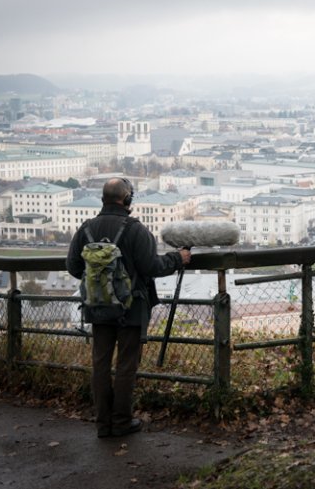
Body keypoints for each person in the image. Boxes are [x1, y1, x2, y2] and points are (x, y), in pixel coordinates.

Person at [66, 178, 190, 438]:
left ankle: (103, 424)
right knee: (126, 366)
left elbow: (73, 267)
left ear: (103, 198)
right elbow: (152, 267)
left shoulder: (85, 229)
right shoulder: (136, 230)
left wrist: (100, 283)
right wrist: (178, 258)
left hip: (98, 306)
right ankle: (121, 422)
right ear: (128, 200)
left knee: (100, 364)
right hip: (131, 308)